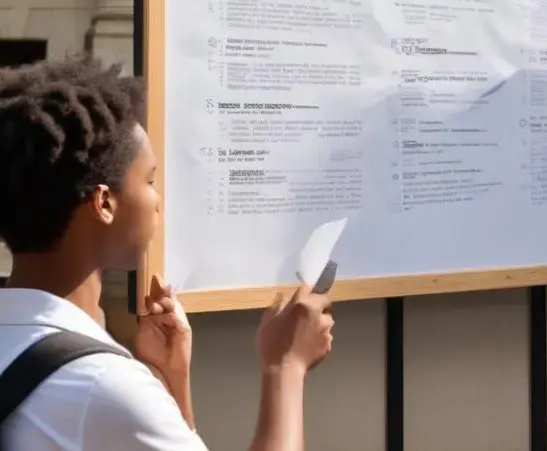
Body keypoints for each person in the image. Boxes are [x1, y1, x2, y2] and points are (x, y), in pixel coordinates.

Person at [0, 56, 334, 450]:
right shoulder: (101, 385)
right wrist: (286, 367)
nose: (158, 200)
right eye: (150, 179)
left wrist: (171, 381)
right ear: (105, 203)